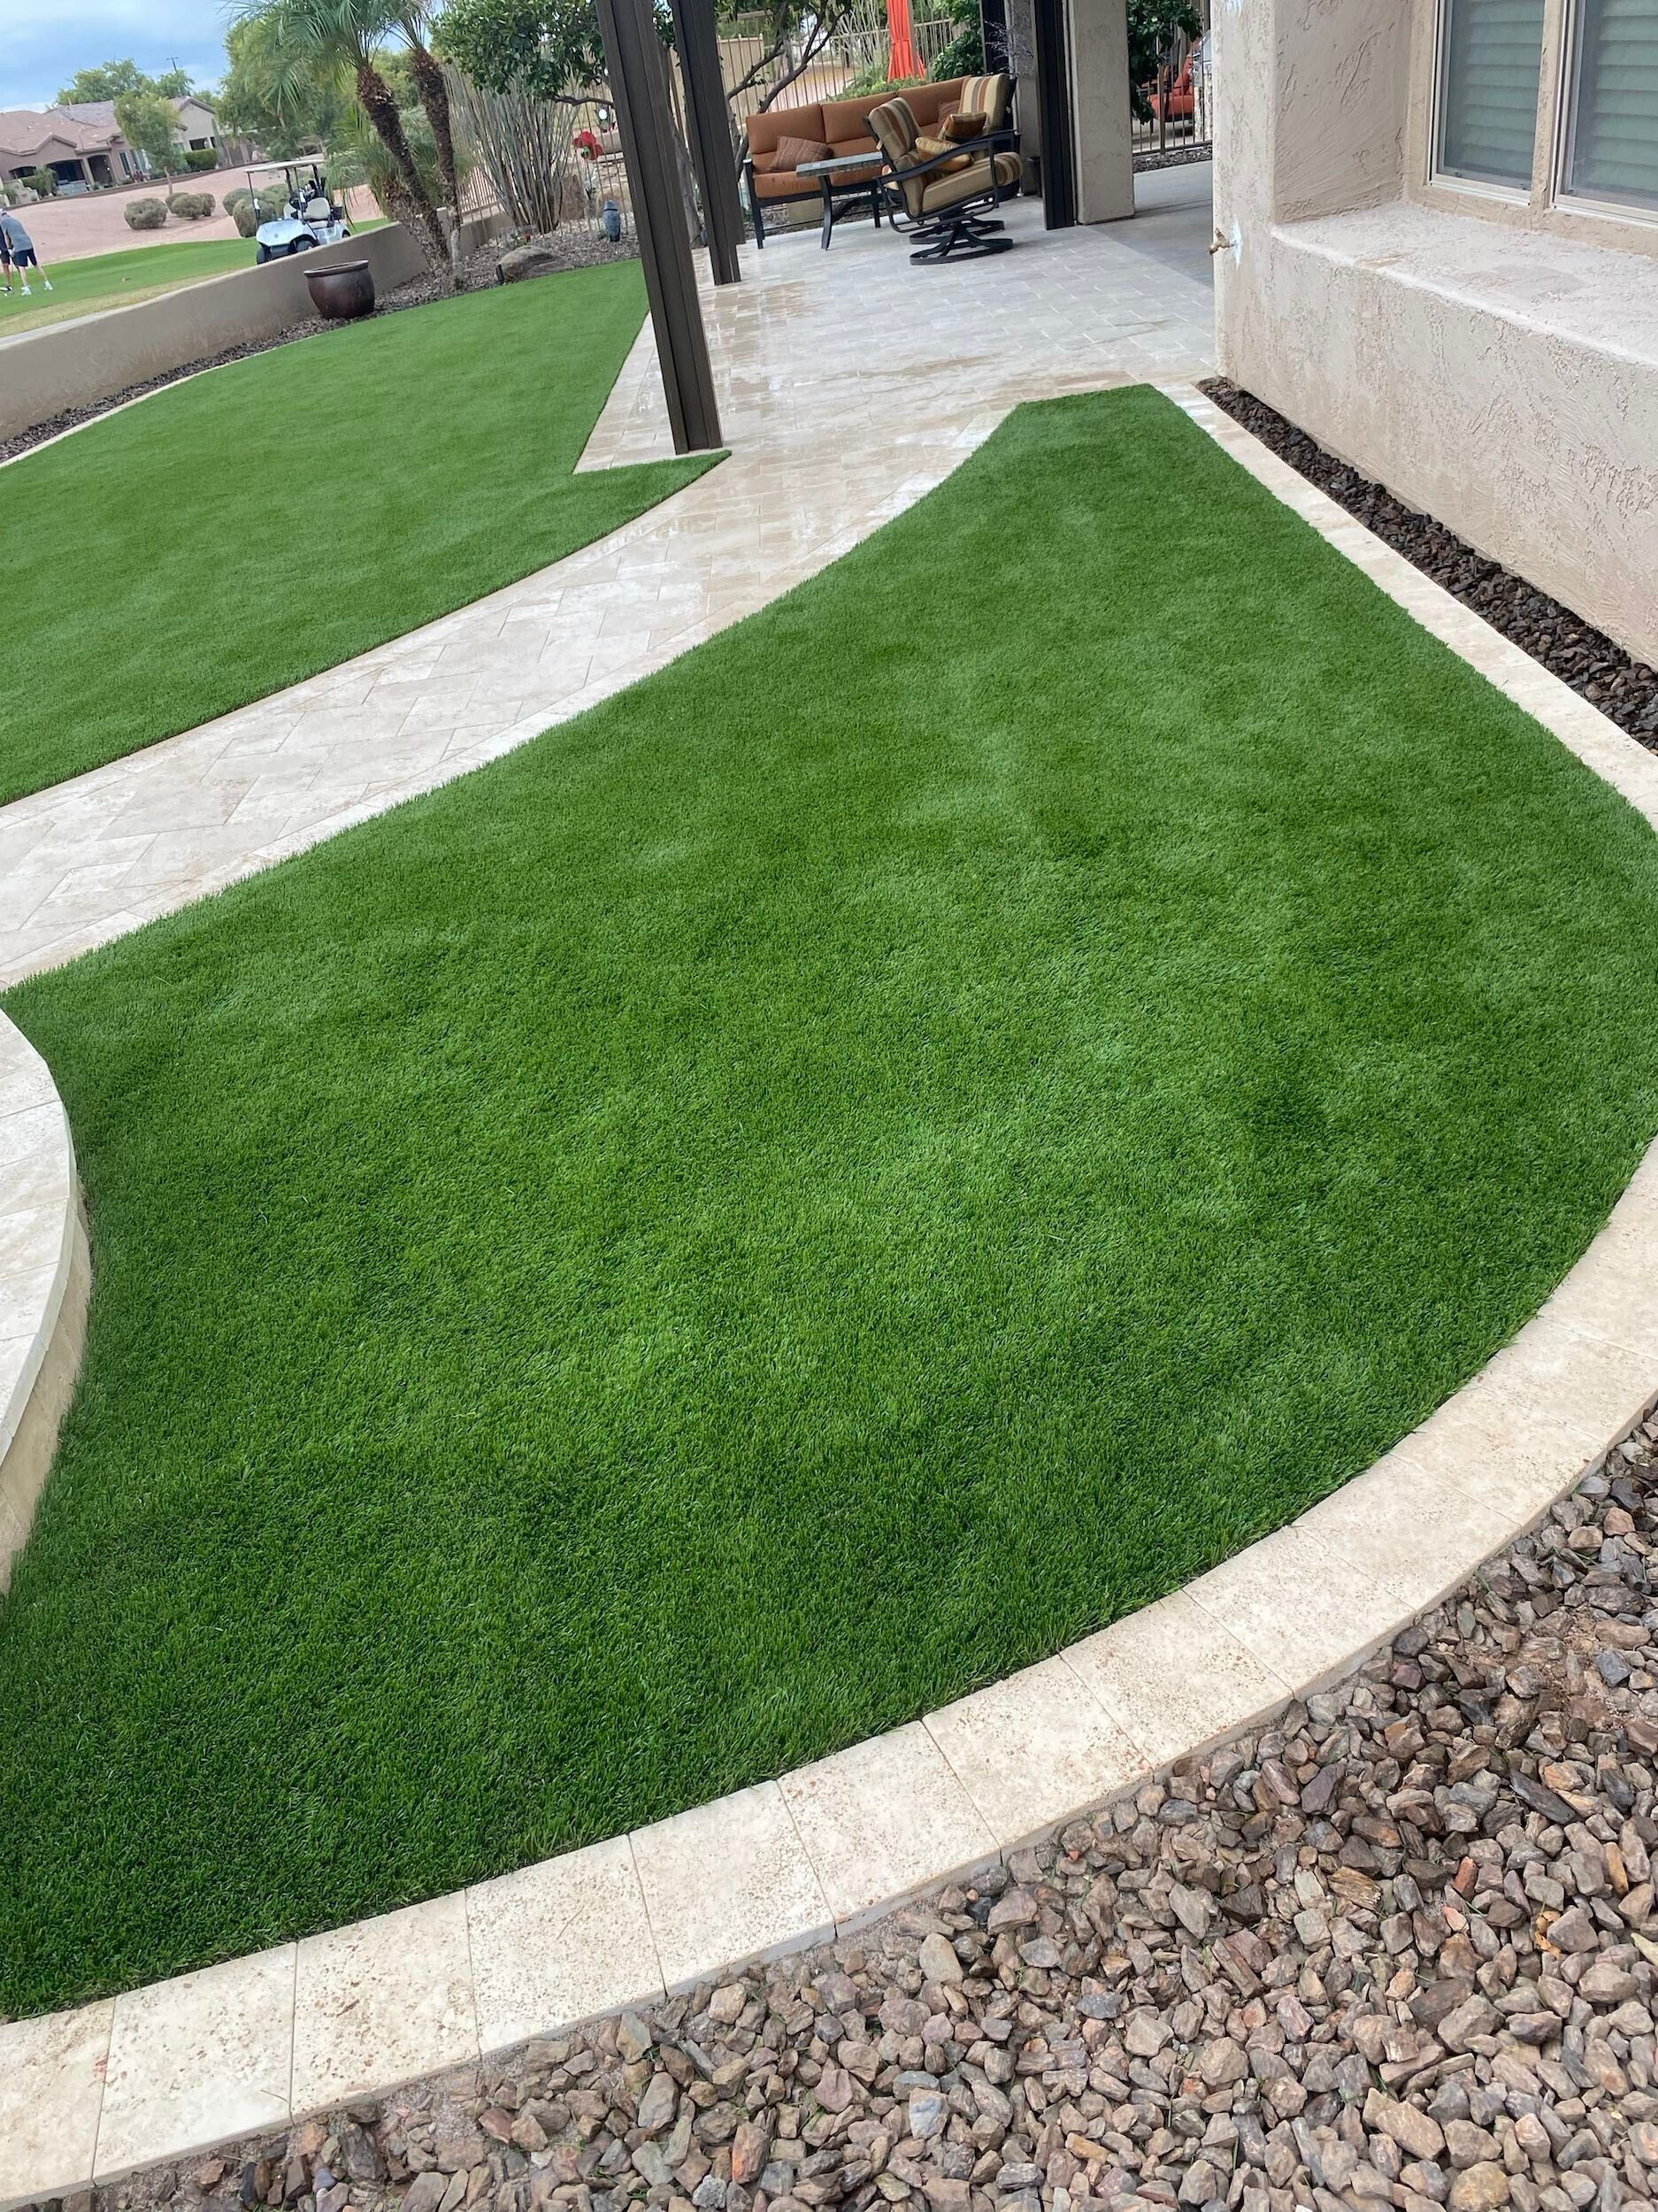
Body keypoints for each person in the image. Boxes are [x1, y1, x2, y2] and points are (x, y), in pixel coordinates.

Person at [0, 208, 52, 297]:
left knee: (21, 267)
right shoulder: (15, 220)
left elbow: (6, 236)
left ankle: (27, 288)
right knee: (36, 265)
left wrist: (9, 248)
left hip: (19, 246)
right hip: (28, 243)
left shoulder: (3, 222)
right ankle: (47, 284)